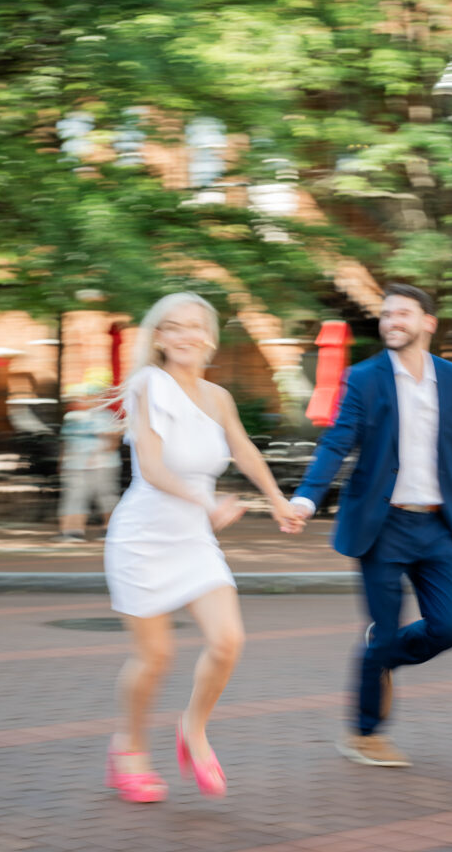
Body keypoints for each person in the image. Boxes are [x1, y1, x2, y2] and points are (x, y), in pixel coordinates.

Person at [104, 292, 304, 803]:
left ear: (210, 337)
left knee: (228, 642)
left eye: (195, 326)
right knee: (155, 657)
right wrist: (206, 500)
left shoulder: (218, 398)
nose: (185, 335)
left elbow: (243, 449)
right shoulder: (148, 385)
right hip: (143, 538)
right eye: (173, 327)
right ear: (160, 338)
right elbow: (151, 467)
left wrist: (278, 500)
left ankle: (193, 729)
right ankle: (127, 749)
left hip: (193, 539)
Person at [290, 283, 452, 767]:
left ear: (427, 323)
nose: (391, 321)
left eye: (402, 314)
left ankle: (384, 657)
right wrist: (307, 499)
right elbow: (337, 443)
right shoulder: (365, 377)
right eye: (386, 315)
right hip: (383, 525)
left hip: (437, 525)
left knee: (450, 627)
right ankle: (365, 734)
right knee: (386, 622)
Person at [55, 386, 122, 542]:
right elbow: (66, 442)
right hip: (76, 465)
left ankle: (111, 529)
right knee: (74, 497)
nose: (92, 400)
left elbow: (113, 440)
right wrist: (63, 461)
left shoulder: (107, 417)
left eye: (96, 396)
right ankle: (72, 531)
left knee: (106, 497)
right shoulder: (72, 417)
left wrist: (99, 456)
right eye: (89, 396)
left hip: (103, 465)